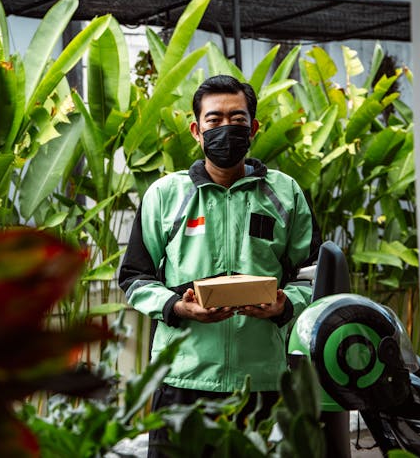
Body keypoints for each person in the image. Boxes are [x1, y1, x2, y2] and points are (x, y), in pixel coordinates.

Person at [118, 75, 321, 457]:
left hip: (260, 381)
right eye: (214, 120)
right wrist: (177, 307)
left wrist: (286, 305)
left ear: (254, 127)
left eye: (237, 119)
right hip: (183, 379)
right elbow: (134, 277)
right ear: (197, 130)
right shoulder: (166, 194)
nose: (226, 129)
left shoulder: (284, 193)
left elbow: (312, 275)